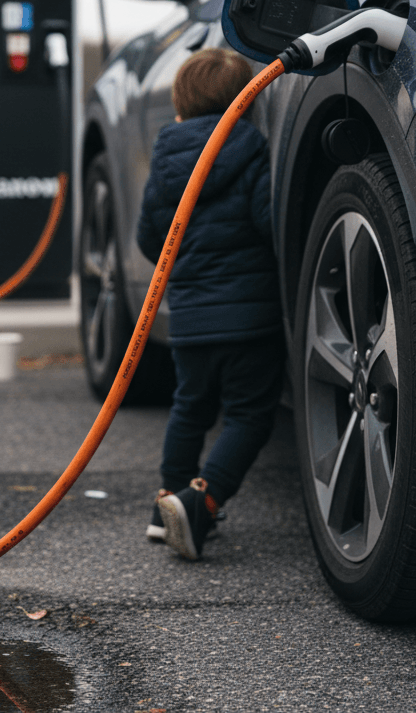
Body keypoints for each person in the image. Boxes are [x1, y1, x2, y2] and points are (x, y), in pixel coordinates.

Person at [136, 48, 286, 560]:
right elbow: (271, 226)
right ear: (246, 104)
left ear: (180, 107)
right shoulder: (252, 151)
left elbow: (150, 238)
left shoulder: (165, 162)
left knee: (190, 408)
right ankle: (203, 501)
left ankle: (166, 503)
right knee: (248, 415)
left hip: (190, 319)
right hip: (249, 318)